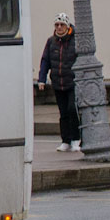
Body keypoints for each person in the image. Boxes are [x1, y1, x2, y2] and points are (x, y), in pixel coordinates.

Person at [36, 12, 80, 152]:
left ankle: (76, 139)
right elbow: (45, 61)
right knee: (63, 113)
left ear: (67, 26)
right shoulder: (51, 41)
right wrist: (42, 79)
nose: (59, 27)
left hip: (73, 82)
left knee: (72, 110)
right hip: (58, 82)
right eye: (57, 25)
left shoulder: (75, 40)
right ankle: (65, 140)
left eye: (62, 24)